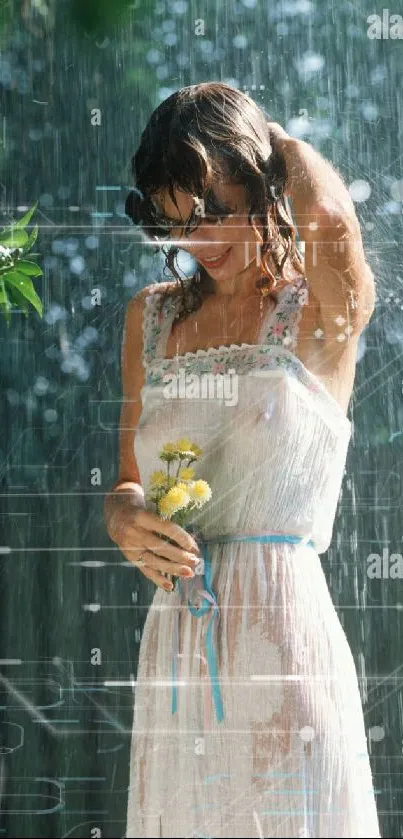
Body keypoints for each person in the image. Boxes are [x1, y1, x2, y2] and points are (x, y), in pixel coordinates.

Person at [104, 82, 381, 838]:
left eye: (217, 208)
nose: (200, 239)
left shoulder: (318, 309)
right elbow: (130, 472)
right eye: (177, 219)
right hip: (179, 643)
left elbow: (325, 217)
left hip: (284, 634)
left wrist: (274, 141)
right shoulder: (151, 317)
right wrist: (123, 512)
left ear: (264, 183)